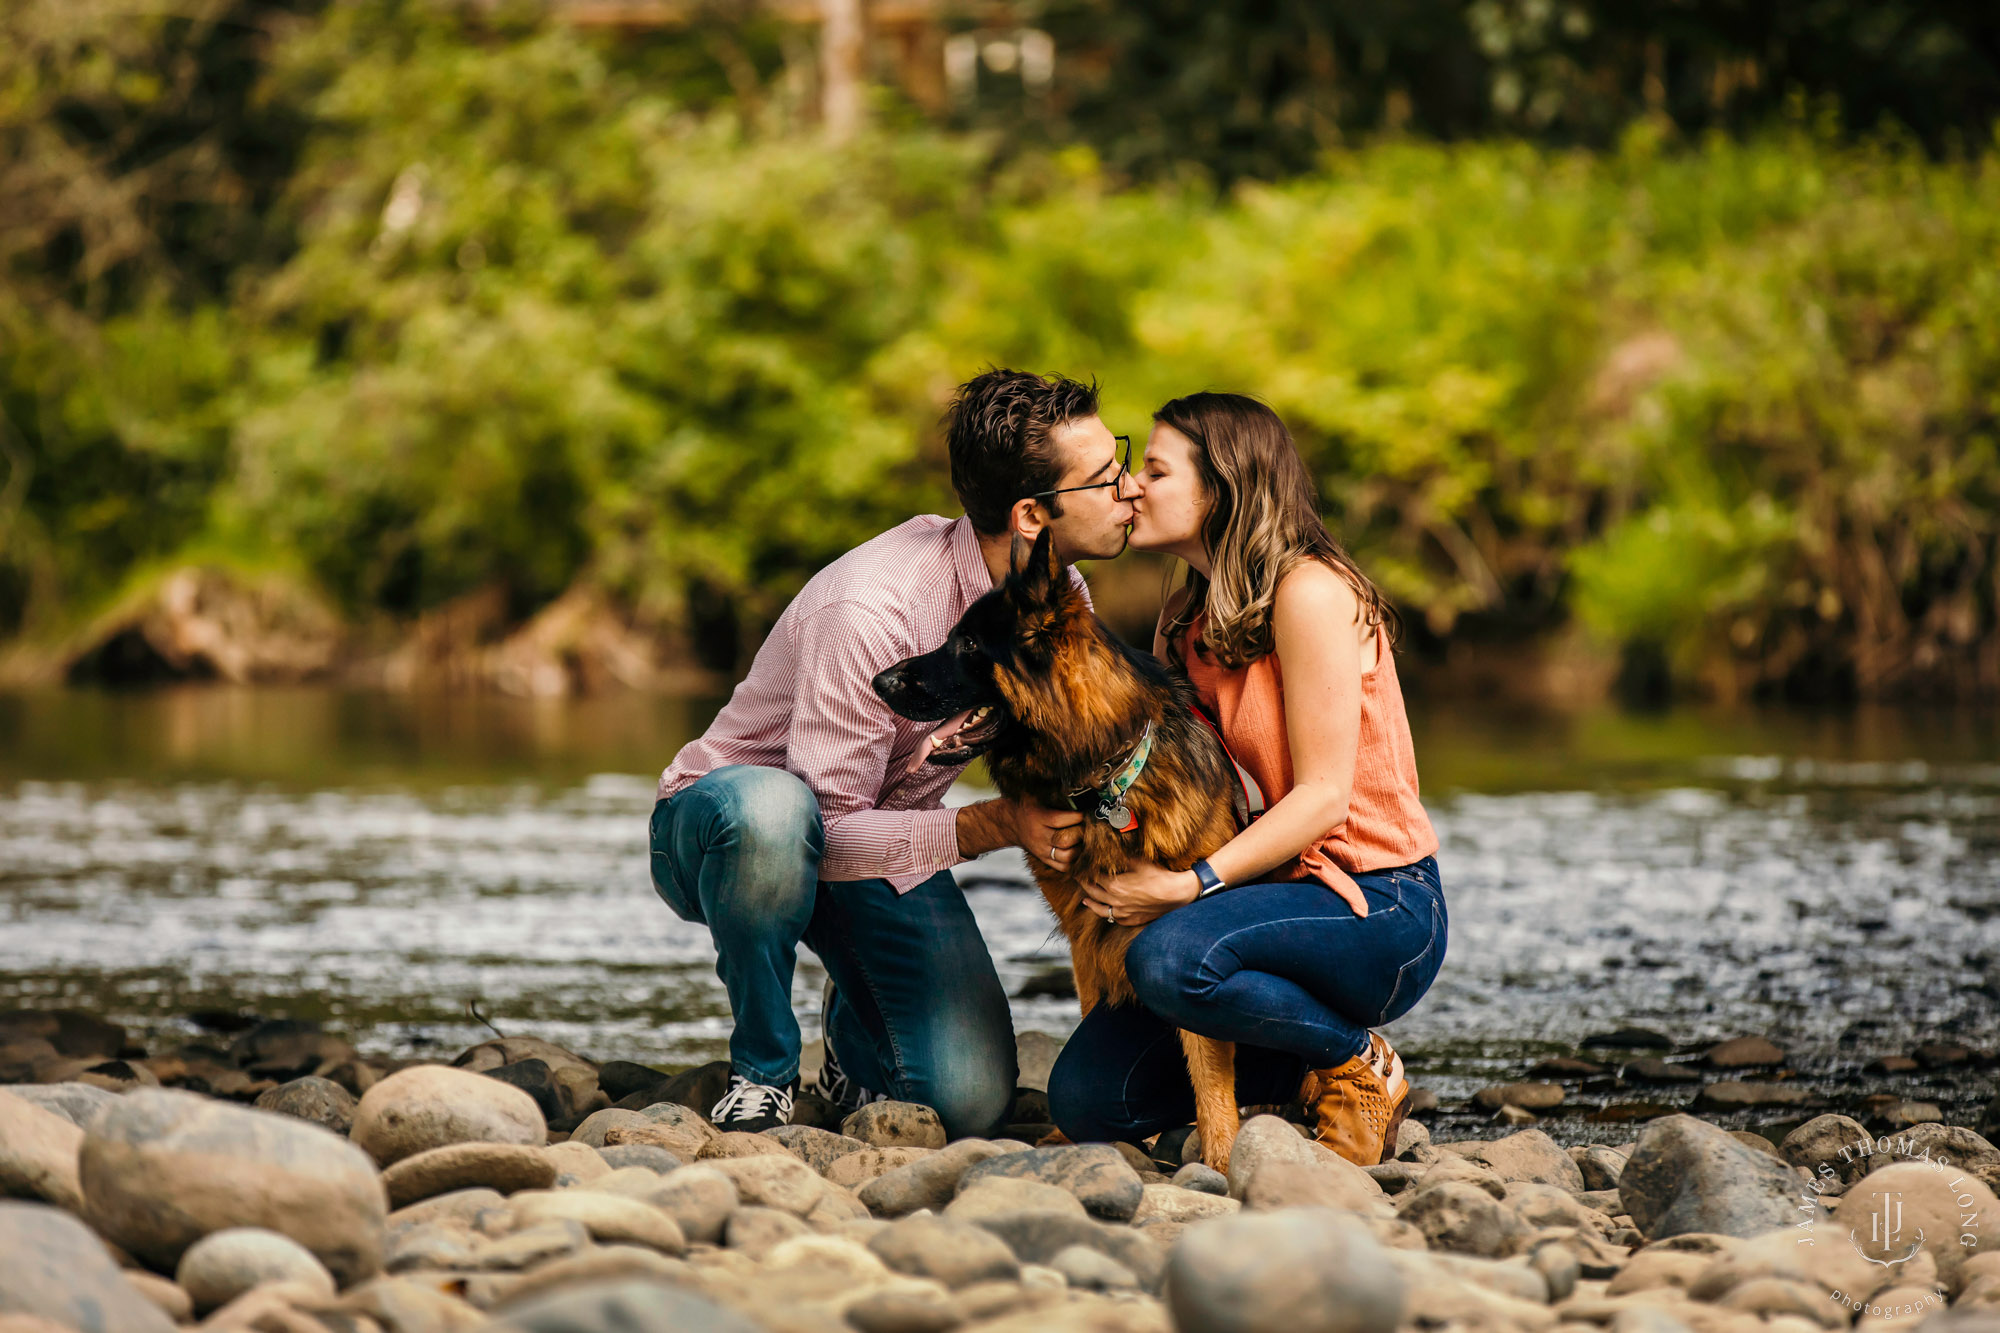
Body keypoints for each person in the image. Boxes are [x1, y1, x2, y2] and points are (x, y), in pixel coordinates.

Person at [649, 369, 1142, 1135]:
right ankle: (764, 1069)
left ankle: (851, 1028)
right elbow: (830, 832)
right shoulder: (872, 609)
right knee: (778, 814)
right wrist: (997, 824)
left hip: (881, 841)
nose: (1131, 489)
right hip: (727, 832)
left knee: (966, 1102)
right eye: (1106, 476)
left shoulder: (1058, 590)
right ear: (1030, 515)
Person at [1048, 391, 1447, 1167]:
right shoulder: (1184, 619)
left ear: (1220, 488)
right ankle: (1294, 1069)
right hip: (1266, 894)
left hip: (1381, 902)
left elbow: (1324, 795)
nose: (1128, 486)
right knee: (1089, 1098)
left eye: (1154, 470)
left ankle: (1355, 1062)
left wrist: (1188, 884)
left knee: (1167, 958)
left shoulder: (1313, 593)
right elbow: (1161, 776)